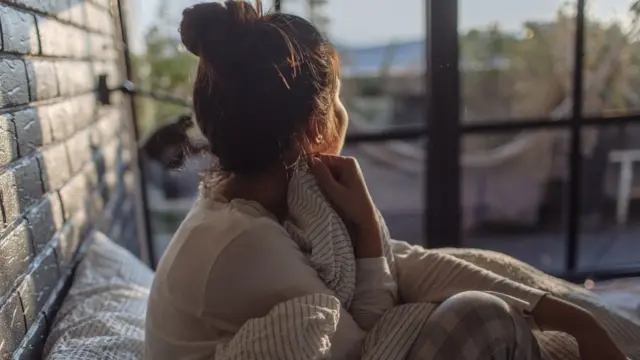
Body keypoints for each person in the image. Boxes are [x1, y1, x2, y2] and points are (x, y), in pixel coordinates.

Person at [144, 2, 627, 359]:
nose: (342, 113)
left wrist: (557, 311)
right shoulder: (242, 243)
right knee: (482, 317)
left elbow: (406, 264)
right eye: (336, 99)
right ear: (313, 127)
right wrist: (368, 232)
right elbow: (367, 347)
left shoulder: (267, 199)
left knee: (465, 275)